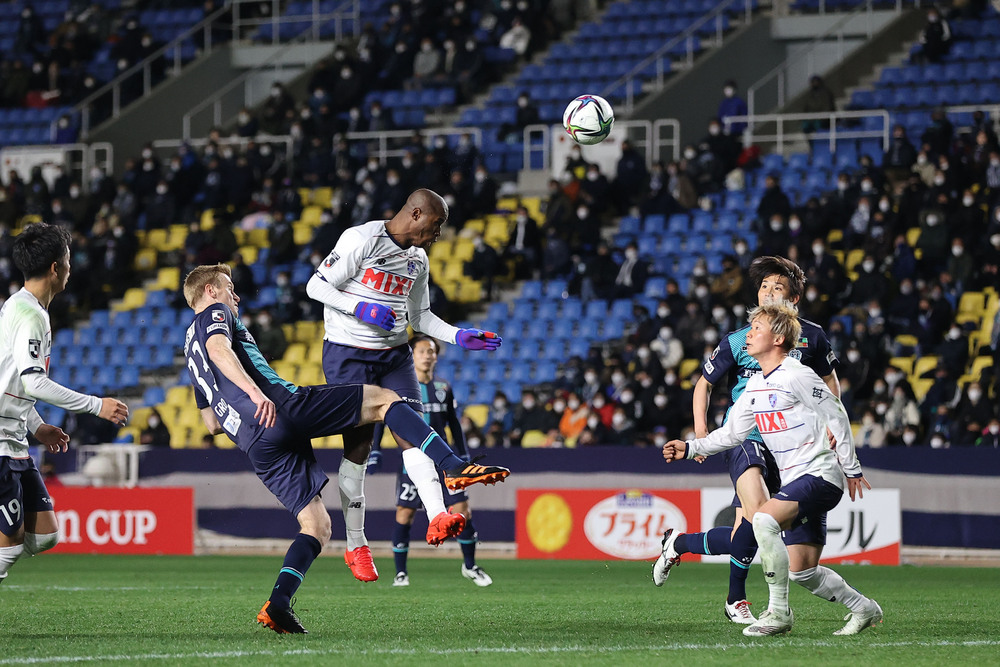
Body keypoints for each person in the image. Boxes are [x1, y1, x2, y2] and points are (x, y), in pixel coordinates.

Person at [183, 264, 508, 635]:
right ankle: (450, 464)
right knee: (385, 399)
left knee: (317, 526)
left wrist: (251, 425)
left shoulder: (189, 348)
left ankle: (278, 604)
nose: (236, 296)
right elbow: (219, 348)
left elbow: (211, 423)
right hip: (279, 408)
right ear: (210, 290)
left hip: (255, 443)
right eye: (229, 287)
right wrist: (257, 395)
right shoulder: (215, 313)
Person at [659, 302, 882, 637]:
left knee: (762, 519)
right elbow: (732, 434)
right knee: (803, 571)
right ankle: (864, 608)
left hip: (820, 474)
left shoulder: (797, 374)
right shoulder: (754, 387)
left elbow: (836, 413)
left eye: (757, 329)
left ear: (778, 339)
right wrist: (690, 448)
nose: (748, 335)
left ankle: (778, 614)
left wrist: (851, 468)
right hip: (797, 481)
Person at [306, 189, 509, 553]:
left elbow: (419, 316)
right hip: (349, 354)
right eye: (437, 224)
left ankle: (438, 515)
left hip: (395, 355)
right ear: (416, 214)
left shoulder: (418, 260)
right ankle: (356, 543)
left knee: (412, 430)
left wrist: (458, 335)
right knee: (359, 447)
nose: (438, 234)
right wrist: (360, 308)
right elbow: (315, 285)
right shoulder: (362, 239)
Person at [655, 256, 840, 626]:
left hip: (790, 443)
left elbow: (829, 382)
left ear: (794, 299)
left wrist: (831, 422)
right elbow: (704, 384)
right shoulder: (742, 339)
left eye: (778, 287)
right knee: (758, 517)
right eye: (764, 286)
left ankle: (680, 544)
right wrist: (701, 433)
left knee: (756, 533)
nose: (768, 292)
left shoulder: (812, 336)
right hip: (747, 435)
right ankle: (748, 603)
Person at [0, 223, 129, 586]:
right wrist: (95, 405)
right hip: (1, 442)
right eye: (68, 260)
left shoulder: (21, 307)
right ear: (56, 267)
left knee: (44, 534)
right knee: (9, 546)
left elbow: (10, 381)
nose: (71, 268)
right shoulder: (30, 316)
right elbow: (33, 382)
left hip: (14, 438)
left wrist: (36, 425)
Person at [392, 336, 493, 588]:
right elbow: (386, 418)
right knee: (405, 514)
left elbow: (454, 424)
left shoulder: (443, 387)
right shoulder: (401, 388)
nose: (427, 355)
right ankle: (401, 573)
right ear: (411, 355)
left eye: (431, 351)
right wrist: (375, 453)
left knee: (463, 511)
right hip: (414, 461)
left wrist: (464, 455)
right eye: (422, 351)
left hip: (444, 460)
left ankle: (470, 566)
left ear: (436, 356)